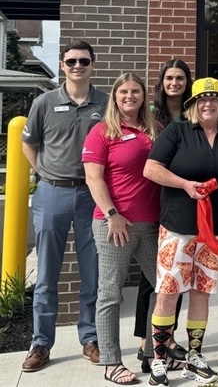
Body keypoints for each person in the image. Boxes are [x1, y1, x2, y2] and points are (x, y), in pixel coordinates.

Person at [144, 77, 218, 386]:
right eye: (202, 99)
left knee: (201, 293)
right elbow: (151, 168)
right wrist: (185, 184)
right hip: (178, 228)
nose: (208, 103)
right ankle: (159, 358)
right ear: (193, 106)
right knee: (168, 293)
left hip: (216, 231)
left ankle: (194, 356)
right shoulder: (178, 132)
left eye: (215, 99)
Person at [20, 40, 108, 373]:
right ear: (62, 65)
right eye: (71, 61)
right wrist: (42, 171)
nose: (77, 66)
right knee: (46, 274)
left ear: (93, 65)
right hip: (52, 194)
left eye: (84, 61)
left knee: (92, 272)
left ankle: (90, 338)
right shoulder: (44, 102)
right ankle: (41, 343)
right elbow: (28, 142)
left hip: (91, 195)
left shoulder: (106, 103)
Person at [83, 73, 160, 385]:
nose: (130, 96)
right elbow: (93, 178)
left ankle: (156, 351)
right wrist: (113, 214)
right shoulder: (101, 131)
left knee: (164, 288)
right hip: (114, 224)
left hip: (152, 223)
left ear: (143, 96)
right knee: (110, 293)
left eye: (136, 91)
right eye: (124, 92)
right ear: (115, 96)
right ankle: (111, 361)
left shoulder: (153, 130)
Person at [134, 59, 192, 373]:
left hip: (183, 201)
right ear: (162, 81)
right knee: (153, 277)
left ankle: (166, 339)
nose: (174, 83)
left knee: (176, 275)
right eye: (169, 77)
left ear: (187, 81)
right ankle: (146, 342)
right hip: (153, 199)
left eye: (180, 77)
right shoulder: (150, 116)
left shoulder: (194, 113)